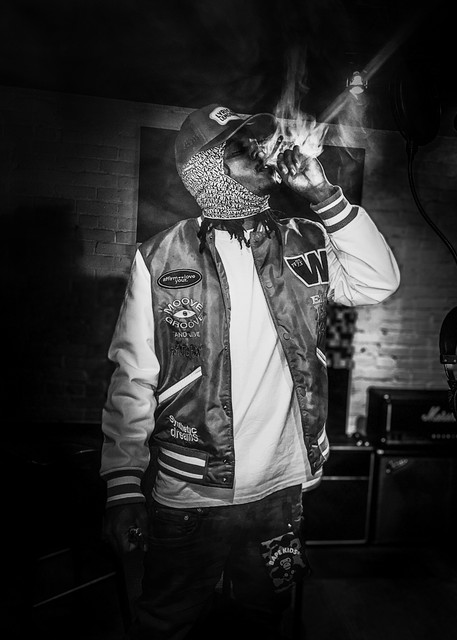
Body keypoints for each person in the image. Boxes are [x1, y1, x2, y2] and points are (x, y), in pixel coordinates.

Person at [100, 103, 400, 640]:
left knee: (261, 622)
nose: (263, 152)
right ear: (206, 168)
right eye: (241, 146)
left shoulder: (305, 238)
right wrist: (123, 487)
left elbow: (379, 282)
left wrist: (323, 194)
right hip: (192, 492)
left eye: (259, 141)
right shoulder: (161, 256)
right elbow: (132, 376)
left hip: (280, 492)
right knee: (166, 624)